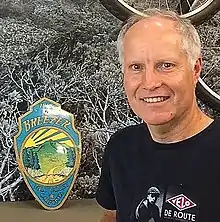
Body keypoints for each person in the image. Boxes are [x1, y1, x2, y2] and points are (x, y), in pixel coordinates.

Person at [95, 8, 219, 222]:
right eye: (136, 67)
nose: (150, 82)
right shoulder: (121, 147)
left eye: (166, 65)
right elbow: (112, 216)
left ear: (196, 69)